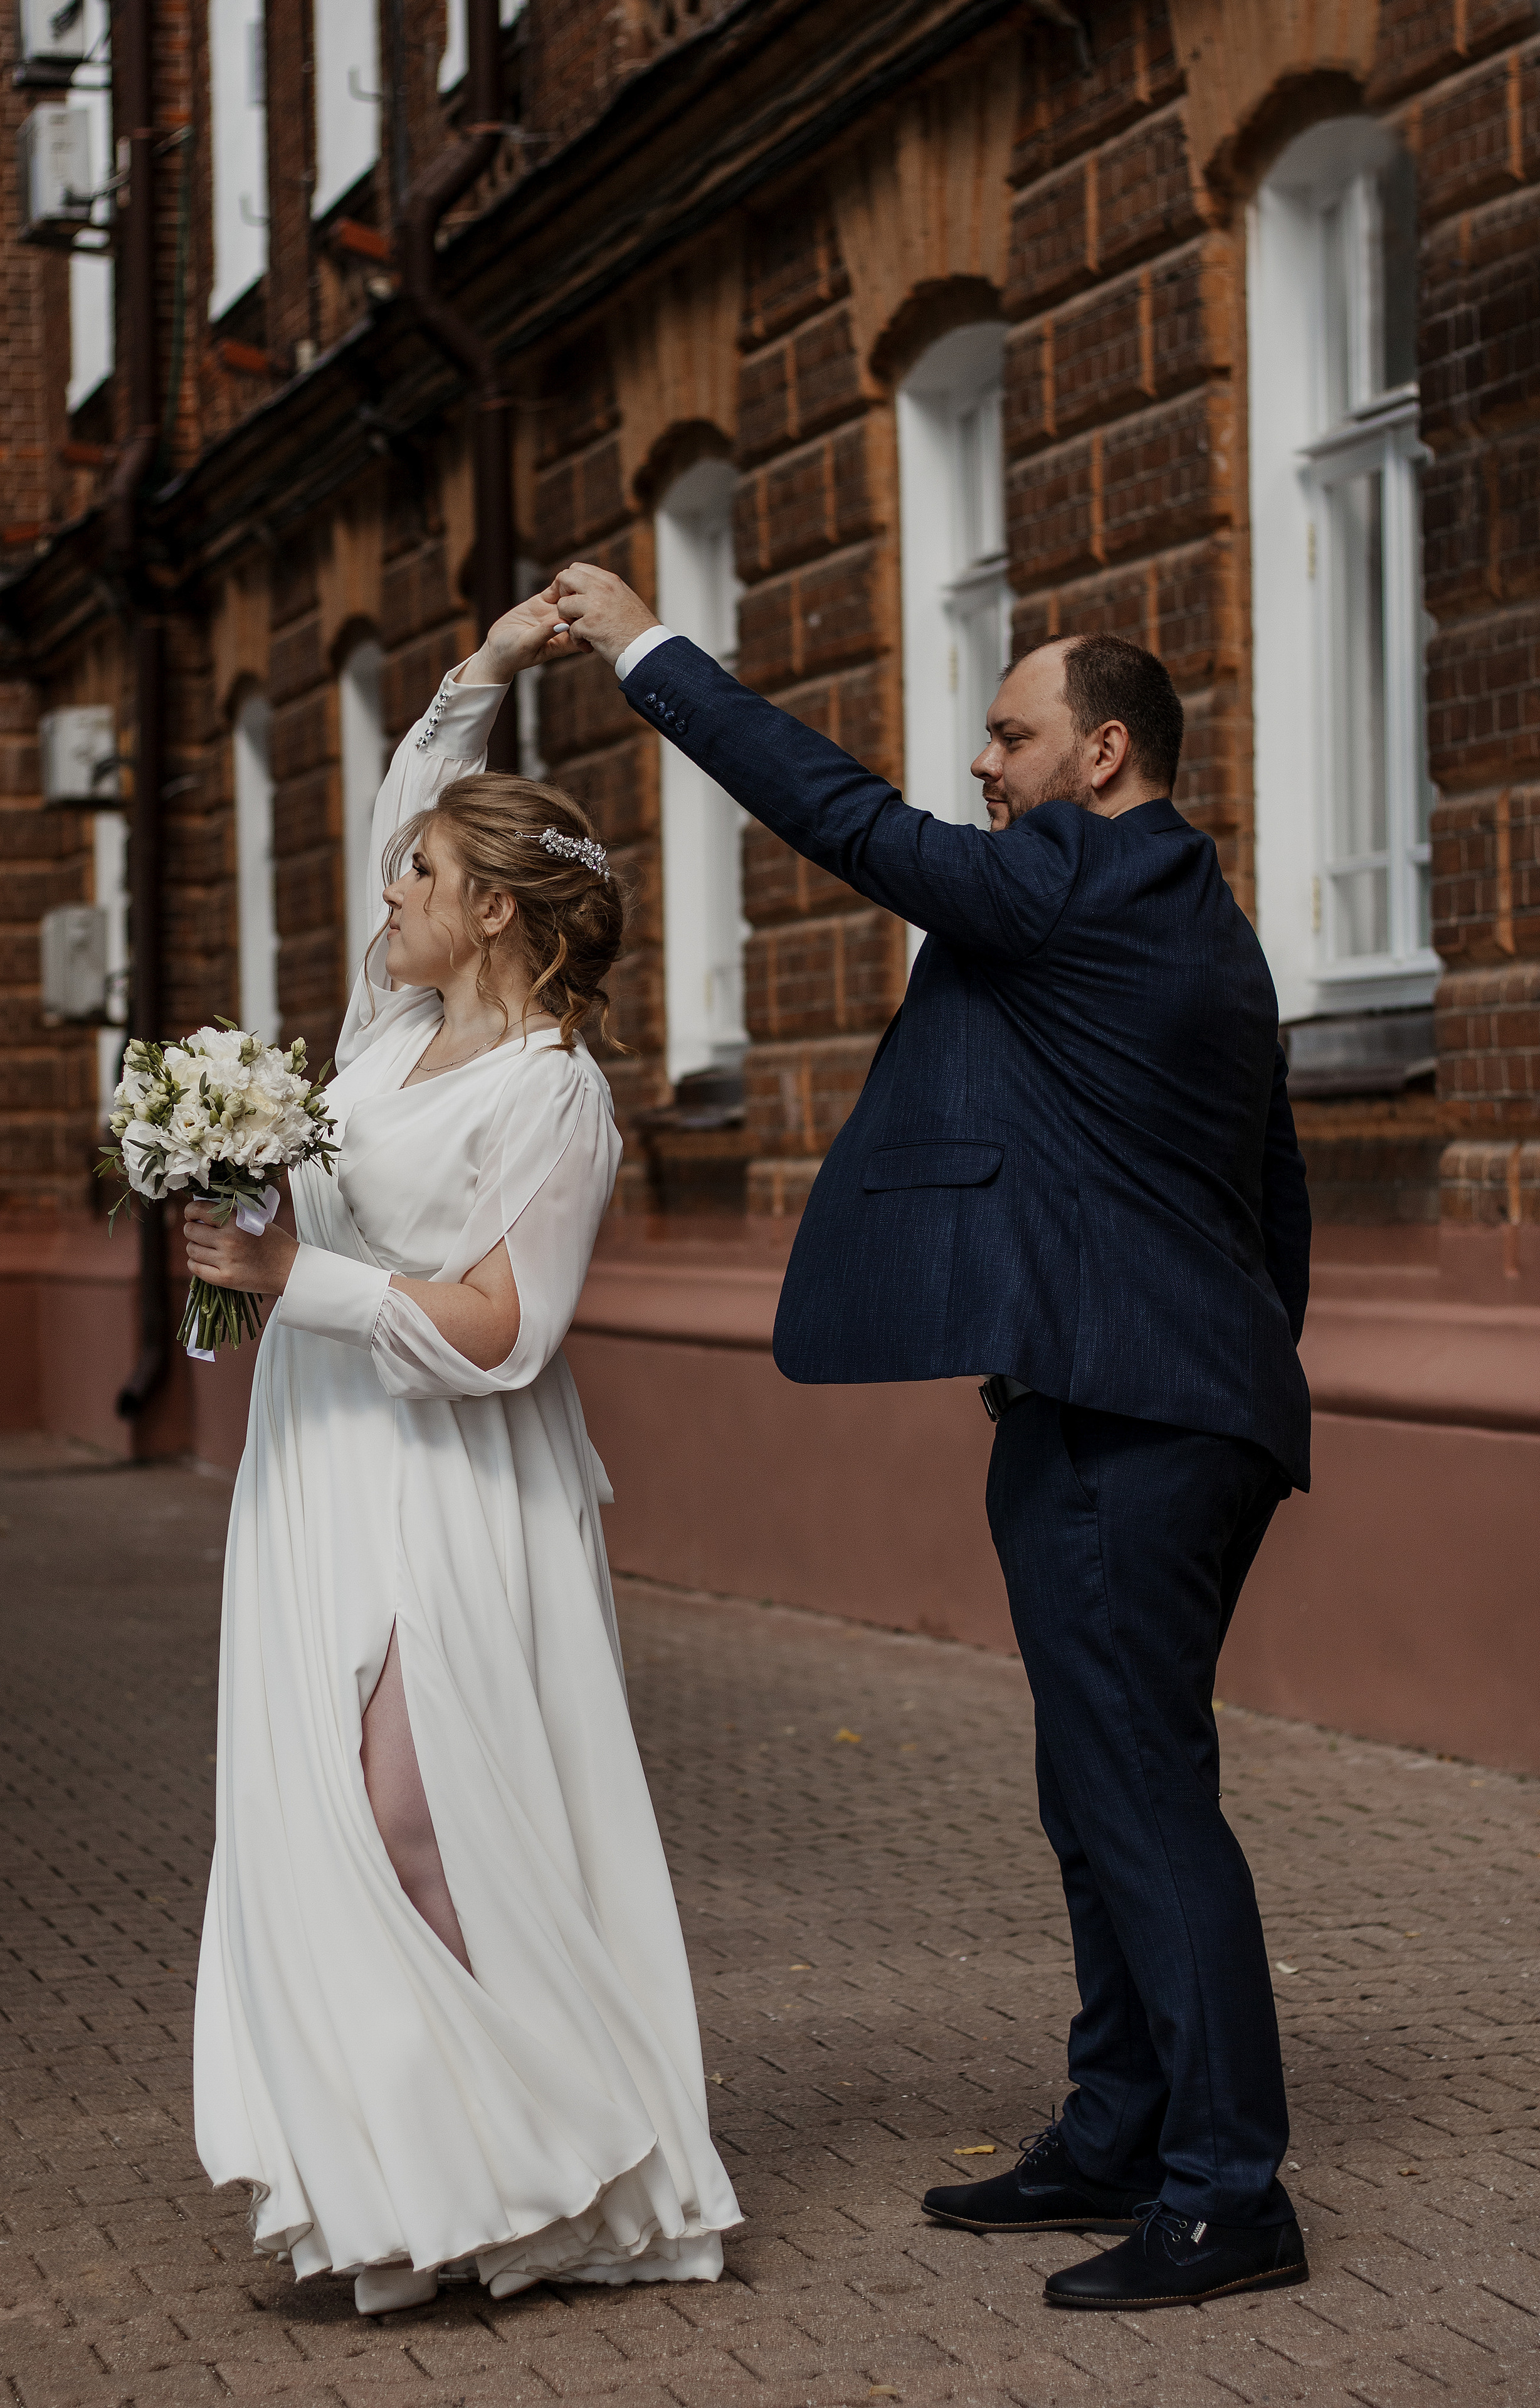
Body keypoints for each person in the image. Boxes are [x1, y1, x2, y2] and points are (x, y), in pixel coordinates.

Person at [547, 561, 1312, 2314]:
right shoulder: (1212, 921)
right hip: (1186, 1401)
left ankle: (1227, 2190)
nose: (984, 765)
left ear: (1103, 751)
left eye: (1010, 734)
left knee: (1141, 1798)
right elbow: (1268, 1193)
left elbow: (849, 824)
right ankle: (1121, 2127)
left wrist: (652, 651)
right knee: (1102, 1786)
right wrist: (1242, 1373)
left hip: (1129, 1414)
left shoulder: (1070, 875)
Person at [182, 594, 741, 2316]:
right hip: (315, 1474)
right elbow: (403, 796)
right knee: (326, 1815)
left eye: (421, 880)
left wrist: (300, 1276)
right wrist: (491, 667)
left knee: (421, 1816)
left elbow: (508, 1331)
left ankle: (553, 2159)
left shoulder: (554, 1097)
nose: (391, 898)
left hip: (450, 1484)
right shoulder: (387, 1036)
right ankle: (419, 2182)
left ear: (494, 908)